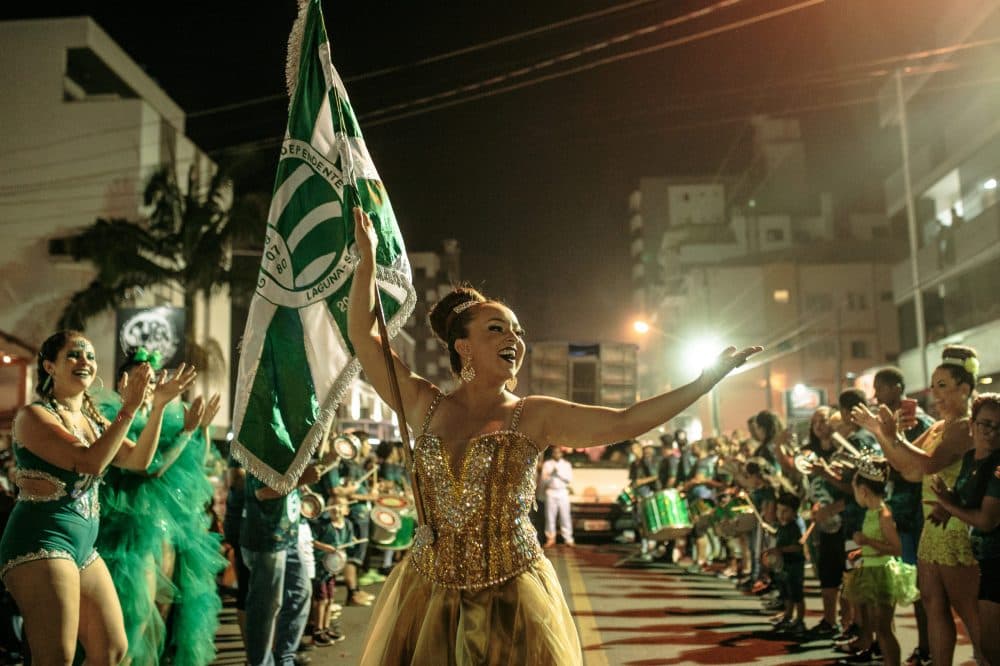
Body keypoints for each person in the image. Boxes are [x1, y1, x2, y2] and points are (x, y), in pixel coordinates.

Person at [348, 207, 760, 665]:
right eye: (497, 328)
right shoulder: (424, 405)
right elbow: (366, 337)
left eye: (518, 331)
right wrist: (367, 264)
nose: (515, 338)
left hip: (513, 598)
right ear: (462, 346)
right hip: (429, 595)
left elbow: (625, 421)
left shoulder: (534, 414)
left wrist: (704, 382)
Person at [0, 331, 193, 664]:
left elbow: (139, 461)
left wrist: (158, 406)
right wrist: (129, 409)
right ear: (50, 366)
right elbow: (90, 460)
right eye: (73, 355)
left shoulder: (93, 421)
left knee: (113, 650)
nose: (85, 362)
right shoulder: (34, 417)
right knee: (57, 657)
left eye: (89, 356)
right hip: (40, 543)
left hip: (84, 550)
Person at [852, 345, 981, 666]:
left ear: (965, 389)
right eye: (933, 386)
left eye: (942, 386)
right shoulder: (938, 427)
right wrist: (880, 433)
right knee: (934, 606)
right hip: (930, 530)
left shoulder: (966, 426)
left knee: (972, 615)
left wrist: (891, 435)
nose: (934, 394)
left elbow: (928, 465)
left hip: (955, 528)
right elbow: (905, 469)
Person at [95, 348, 223, 666]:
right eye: (143, 378)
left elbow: (195, 463)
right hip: (129, 535)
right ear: (125, 381)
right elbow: (151, 467)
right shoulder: (111, 418)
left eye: (153, 379)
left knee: (162, 613)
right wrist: (188, 431)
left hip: (166, 528)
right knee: (135, 619)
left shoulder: (159, 419)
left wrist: (200, 430)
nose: (150, 385)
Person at [925, 392, 1000, 666]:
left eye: (998, 426)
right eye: (985, 424)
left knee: (991, 646)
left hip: (996, 561)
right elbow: (962, 496)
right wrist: (946, 505)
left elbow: (987, 520)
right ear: (972, 424)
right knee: (989, 646)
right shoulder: (970, 459)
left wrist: (948, 505)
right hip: (982, 561)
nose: (991, 432)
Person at [872, 367, 934, 666]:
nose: (876, 395)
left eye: (880, 388)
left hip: (916, 514)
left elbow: (907, 468)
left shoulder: (916, 422)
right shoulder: (893, 423)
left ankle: (926, 648)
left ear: (896, 388)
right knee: (902, 586)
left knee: (922, 588)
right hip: (900, 513)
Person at [240, 456, 323, 666]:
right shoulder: (263, 438)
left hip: (289, 535)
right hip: (267, 538)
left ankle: (284, 659)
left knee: (301, 593)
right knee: (266, 607)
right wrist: (302, 479)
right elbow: (263, 491)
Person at [765, 492, 806, 636]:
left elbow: (798, 547)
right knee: (786, 593)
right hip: (784, 566)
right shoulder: (782, 526)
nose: (780, 514)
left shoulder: (794, 528)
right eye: (778, 510)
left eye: (785, 511)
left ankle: (800, 620)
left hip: (794, 565)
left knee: (796, 594)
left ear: (794, 512)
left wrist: (780, 550)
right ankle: (788, 616)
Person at [540, 446, 574, 548]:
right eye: (555, 452)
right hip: (551, 491)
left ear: (561, 453)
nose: (556, 454)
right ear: (552, 453)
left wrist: (558, 473)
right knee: (550, 516)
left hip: (563, 492)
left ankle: (568, 538)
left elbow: (569, 479)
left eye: (558, 452)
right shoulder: (547, 464)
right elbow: (544, 480)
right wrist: (551, 474)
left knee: (565, 516)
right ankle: (551, 538)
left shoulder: (566, 465)